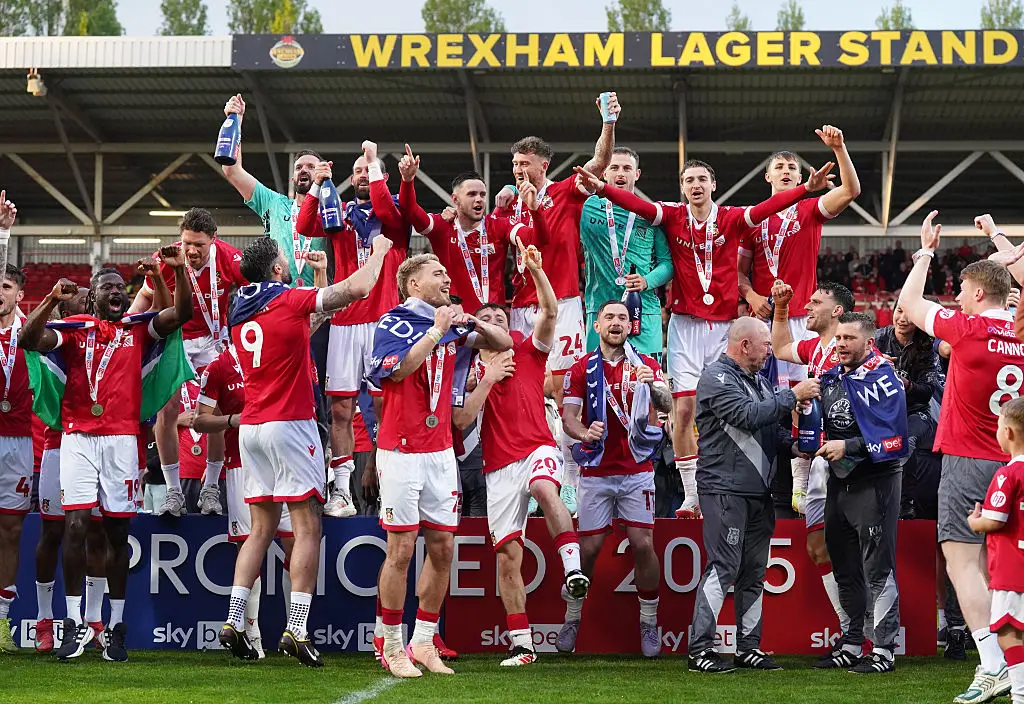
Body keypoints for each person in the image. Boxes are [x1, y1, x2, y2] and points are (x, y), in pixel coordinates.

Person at [573, 154, 836, 519]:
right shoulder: (671, 215)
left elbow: (767, 206)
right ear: (682, 188)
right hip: (684, 324)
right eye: (688, 181)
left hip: (725, 328)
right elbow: (635, 202)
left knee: (730, 409)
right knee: (683, 409)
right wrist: (602, 187)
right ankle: (692, 495)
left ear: (713, 185)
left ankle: (739, 482)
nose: (695, 185)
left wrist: (805, 190)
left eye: (702, 179)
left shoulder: (731, 218)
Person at [217, 235, 391, 668]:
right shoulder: (287, 298)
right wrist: (380, 253)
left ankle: (234, 618)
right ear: (276, 269)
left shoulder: (243, 309)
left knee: (260, 530)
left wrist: (317, 278)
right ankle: (297, 627)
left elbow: (303, 327)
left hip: (252, 428)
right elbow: (356, 290)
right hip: (290, 425)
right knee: (307, 527)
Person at [20, 247, 195, 662]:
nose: (116, 292)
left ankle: (115, 626)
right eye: (107, 288)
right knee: (75, 526)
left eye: (120, 287)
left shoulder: (138, 329)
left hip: (120, 441)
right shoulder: (75, 327)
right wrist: (50, 300)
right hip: (78, 439)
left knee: (117, 534)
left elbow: (180, 316)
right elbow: (29, 339)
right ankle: (73, 624)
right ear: (94, 297)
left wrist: (175, 272)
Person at [369, 253, 513, 678]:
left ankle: (424, 641)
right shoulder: (392, 322)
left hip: (440, 452)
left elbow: (502, 344)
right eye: (438, 274)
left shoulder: (454, 325)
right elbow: (396, 373)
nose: (447, 278)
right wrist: (437, 330)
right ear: (413, 285)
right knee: (400, 550)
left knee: (443, 547)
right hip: (400, 450)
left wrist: (475, 323)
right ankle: (392, 645)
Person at [899, 210, 1019, 702]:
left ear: (974, 294)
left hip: (970, 459)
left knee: (963, 561)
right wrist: (997, 237)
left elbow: (907, 302)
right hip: (1018, 459)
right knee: (1009, 566)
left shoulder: (966, 329)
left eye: (962, 290)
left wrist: (926, 250)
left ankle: (995, 664)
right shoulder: (1023, 330)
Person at [453, 237, 589, 667]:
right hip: (496, 466)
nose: (493, 322)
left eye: (500, 317)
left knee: (547, 490)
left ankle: (572, 569)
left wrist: (535, 269)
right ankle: (522, 645)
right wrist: (487, 378)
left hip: (536, 446)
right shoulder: (468, 368)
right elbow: (461, 420)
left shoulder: (528, 351)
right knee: (508, 556)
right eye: (485, 318)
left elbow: (549, 312)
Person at [688, 317, 820, 673]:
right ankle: (699, 649)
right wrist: (792, 395)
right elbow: (745, 416)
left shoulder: (759, 382)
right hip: (725, 489)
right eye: (765, 345)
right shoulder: (716, 377)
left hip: (758, 492)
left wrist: (796, 447)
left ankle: (748, 647)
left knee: (754, 572)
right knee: (724, 567)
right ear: (744, 345)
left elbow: (771, 431)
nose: (769, 351)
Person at [297, 140, 410, 519]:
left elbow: (385, 207)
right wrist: (318, 184)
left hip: (384, 322)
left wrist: (373, 160)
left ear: (381, 176)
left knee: (385, 404)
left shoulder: (395, 215)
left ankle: (392, 482)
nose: (364, 175)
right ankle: (341, 491)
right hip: (344, 322)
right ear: (349, 179)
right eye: (358, 171)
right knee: (340, 409)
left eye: (370, 171)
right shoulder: (338, 214)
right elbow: (303, 224)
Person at [558, 300, 672, 658]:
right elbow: (569, 418)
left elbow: (668, 404)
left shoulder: (647, 365)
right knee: (589, 549)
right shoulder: (581, 369)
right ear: (597, 326)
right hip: (596, 471)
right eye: (609, 317)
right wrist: (584, 433)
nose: (616, 322)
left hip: (637, 470)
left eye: (623, 317)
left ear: (631, 325)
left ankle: (649, 623)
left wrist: (653, 386)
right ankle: (572, 617)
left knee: (642, 544)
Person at [129, 208, 246, 517]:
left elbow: (252, 290)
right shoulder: (166, 257)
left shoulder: (229, 258)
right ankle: (173, 491)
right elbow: (144, 296)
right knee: (167, 412)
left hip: (212, 338)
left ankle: (210, 488)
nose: (192, 251)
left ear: (214, 241)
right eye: (187, 243)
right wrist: (124, 327)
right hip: (176, 339)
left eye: (199, 245)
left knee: (215, 411)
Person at [815, 312, 908, 674]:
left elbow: (896, 437)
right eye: (838, 338)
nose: (840, 344)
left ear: (869, 342)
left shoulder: (885, 378)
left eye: (848, 338)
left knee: (878, 568)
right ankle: (853, 642)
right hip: (839, 482)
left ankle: (883, 650)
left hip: (875, 481)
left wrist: (849, 446)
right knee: (845, 564)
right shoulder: (833, 376)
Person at [32, 285, 110, 654]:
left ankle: (93, 620)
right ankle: (46, 619)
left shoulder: (106, 341)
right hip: (59, 446)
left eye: (87, 298)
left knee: (98, 534)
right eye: (77, 299)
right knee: (53, 533)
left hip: (99, 447)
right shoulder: (57, 341)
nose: (84, 301)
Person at [219, 94, 327, 289]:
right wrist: (236, 120)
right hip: (280, 301)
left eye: (311, 167)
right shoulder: (274, 203)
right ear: (293, 178)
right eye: (299, 167)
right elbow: (231, 170)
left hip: (322, 302)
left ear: (323, 173)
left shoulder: (333, 213)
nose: (304, 169)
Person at [578, 146, 672, 358]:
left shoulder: (650, 213)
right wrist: (514, 187)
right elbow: (549, 196)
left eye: (627, 168)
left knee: (649, 382)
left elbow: (667, 264)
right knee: (600, 381)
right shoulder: (587, 207)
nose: (621, 173)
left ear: (636, 174)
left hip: (642, 310)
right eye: (615, 167)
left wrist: (646, 281)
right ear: (604, 173)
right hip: (600, 310)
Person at [968, 396, 1024, 704]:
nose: (997, 432)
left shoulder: (1008, 474)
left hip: (1013, 569)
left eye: (1000, 426)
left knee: (1008, 632)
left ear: (1010, 433)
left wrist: (976, 521)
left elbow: (996, 520)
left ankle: (1020, 695)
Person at [874, 299, 945, 521]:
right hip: (880, 412)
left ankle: (905, 503)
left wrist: (906, 385)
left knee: (906, 442)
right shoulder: (877, 339)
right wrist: (874, 364)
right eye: (899, 311)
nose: (902, 318)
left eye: (909, 314)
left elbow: (927, 391)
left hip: (916, 411)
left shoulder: (929, 346)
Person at [0, 259, 31, 651]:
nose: (0, 292)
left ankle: (2, 621)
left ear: (20, 295)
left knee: (10, 531)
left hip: (19, 442)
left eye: (7, 286)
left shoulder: (32, 330)